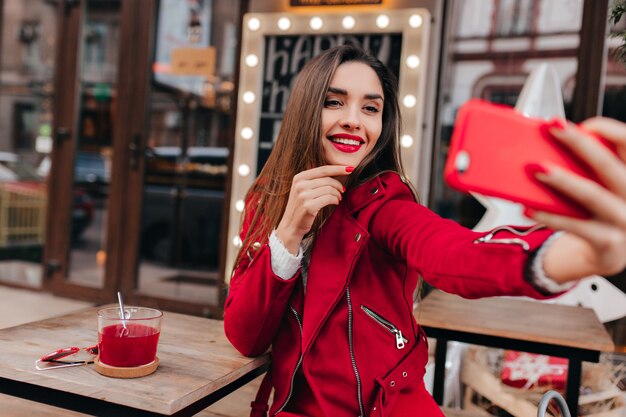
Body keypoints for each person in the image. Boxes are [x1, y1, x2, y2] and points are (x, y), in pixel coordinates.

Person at [223, 45, 626, 417]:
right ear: (305, 109)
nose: (353, 120)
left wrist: (562, 255)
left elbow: (454, 253)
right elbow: (246, 337)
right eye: (334, 102)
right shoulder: (268, 201)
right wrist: (288, 235)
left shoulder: (385, 208)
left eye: (370, 108)